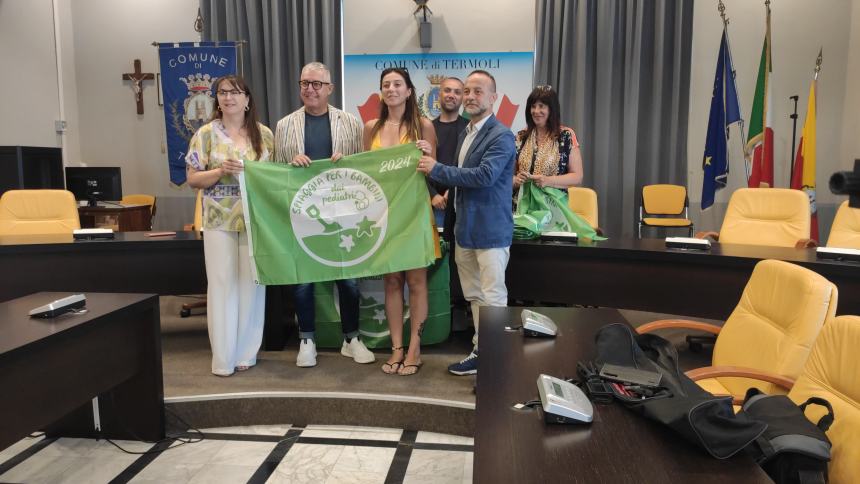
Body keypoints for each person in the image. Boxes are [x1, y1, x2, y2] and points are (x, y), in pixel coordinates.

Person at [273, 62, 375, 368]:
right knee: (303, 282)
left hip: (342, 214)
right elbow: (276, 172)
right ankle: (307, 339)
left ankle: (351, 338)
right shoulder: (284, 125)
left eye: (317, 84)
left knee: (348, 281)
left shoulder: (351, 123)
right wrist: (290, 162)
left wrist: (347, 162)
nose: (310, 89)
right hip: (303, 214)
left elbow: (361, 170)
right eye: (305, 83)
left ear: (330, 89)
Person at [416, 70, 516, 376]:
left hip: (491, 232)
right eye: (468, 91)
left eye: (478, 91)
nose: (471, 97)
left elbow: (484, 176)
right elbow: (457, 178)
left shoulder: (502, 135)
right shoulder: (466, 133)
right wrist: (428, 161)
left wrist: (438, 168)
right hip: (466, 231)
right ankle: (480, 350)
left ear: (493, 97)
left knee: (493, 296)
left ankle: (495, 359)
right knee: (474, 295)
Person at [186, 75, 273, 376]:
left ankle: (247, 352)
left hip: (254, 219)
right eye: (222, 92)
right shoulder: (206, 134)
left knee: (251, 285)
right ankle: (223, 357)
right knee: (222, 285)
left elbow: (273, 178)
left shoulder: (264, 135)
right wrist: (220, 170)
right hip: (218, 219)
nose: (228, 98)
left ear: (248, 100)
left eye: (235, 93)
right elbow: (193, 178)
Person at [363, 67, 438, 376]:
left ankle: (414, 348)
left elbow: (436, 169)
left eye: (397, 84)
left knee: (417, 282)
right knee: (391, 281)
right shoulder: (370, 127)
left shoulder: (423, 126)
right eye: (386, 85)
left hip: (415, 212)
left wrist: (428, 153)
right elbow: (363, 170)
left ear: (409, 91)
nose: (391, 89)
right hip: (383, 214)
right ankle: (396, 347)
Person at [513, 85, 583, 205]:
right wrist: (515, 180)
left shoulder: (566, 136)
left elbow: (577, 177)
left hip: (553, 208)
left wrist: (548, 181)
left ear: (551, 109)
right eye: (533, 106)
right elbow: (509, 175)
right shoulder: (521, 136)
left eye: (541, 106)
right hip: (520, 207)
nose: (536, 111)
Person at [430, 77, 468, 228]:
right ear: (439, 94)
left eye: (457, 92)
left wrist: (452, 191)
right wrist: (432, 195)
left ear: (463, 98)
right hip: (431, 204)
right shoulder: (426, 128)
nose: (451, 95)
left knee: (458, 251)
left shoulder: (469, 129)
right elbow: (417, 165)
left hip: (461, 202)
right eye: (447, 90)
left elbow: (469, 167)